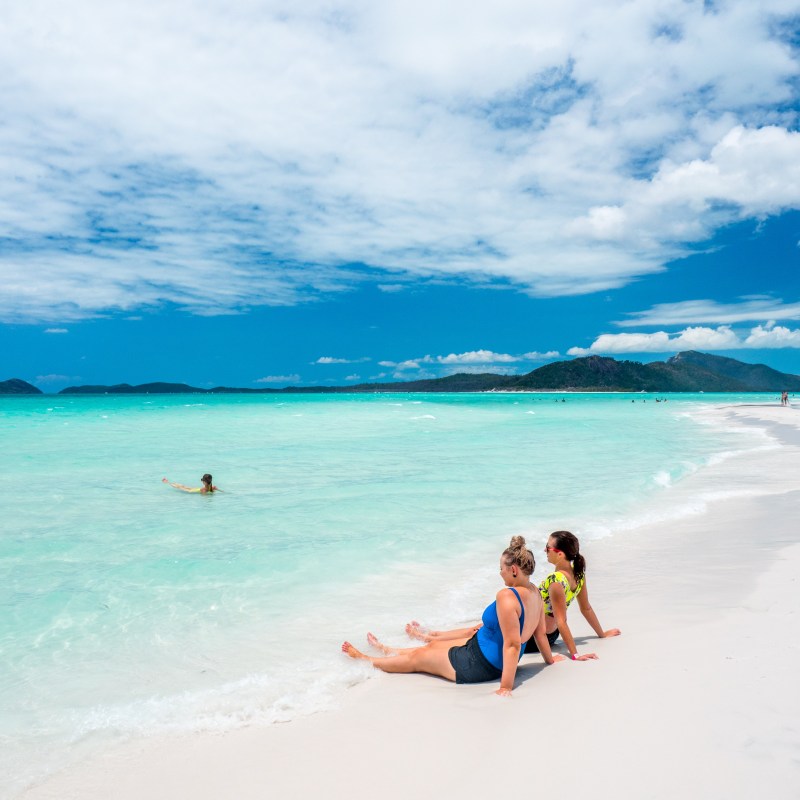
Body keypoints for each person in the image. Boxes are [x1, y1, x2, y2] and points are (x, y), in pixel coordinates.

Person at [341, 536, 562, 696]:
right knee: (430, 648)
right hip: (481, 651)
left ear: (513, 570)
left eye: (501, 568)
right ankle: (387, 650)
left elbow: (513, 645)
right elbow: (540, 634)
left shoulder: (507, 597)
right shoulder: (535, 592)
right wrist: (549, 661)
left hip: (478, 664)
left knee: (419, 658)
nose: (499, 573)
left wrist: (506, 686)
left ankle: (367, 660)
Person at [408, 530, 620, 661]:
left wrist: (575, 654)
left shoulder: (557, 582)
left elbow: (562, 621)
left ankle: (427, 637)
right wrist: (601, 634)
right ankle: (431, 634)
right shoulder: (578, 575)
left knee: (479, 632)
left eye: (548, 548)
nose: (544, 551)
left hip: (538, 638)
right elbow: (586, 608)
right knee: (480, 628)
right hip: (547, 635)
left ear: (560, 554)